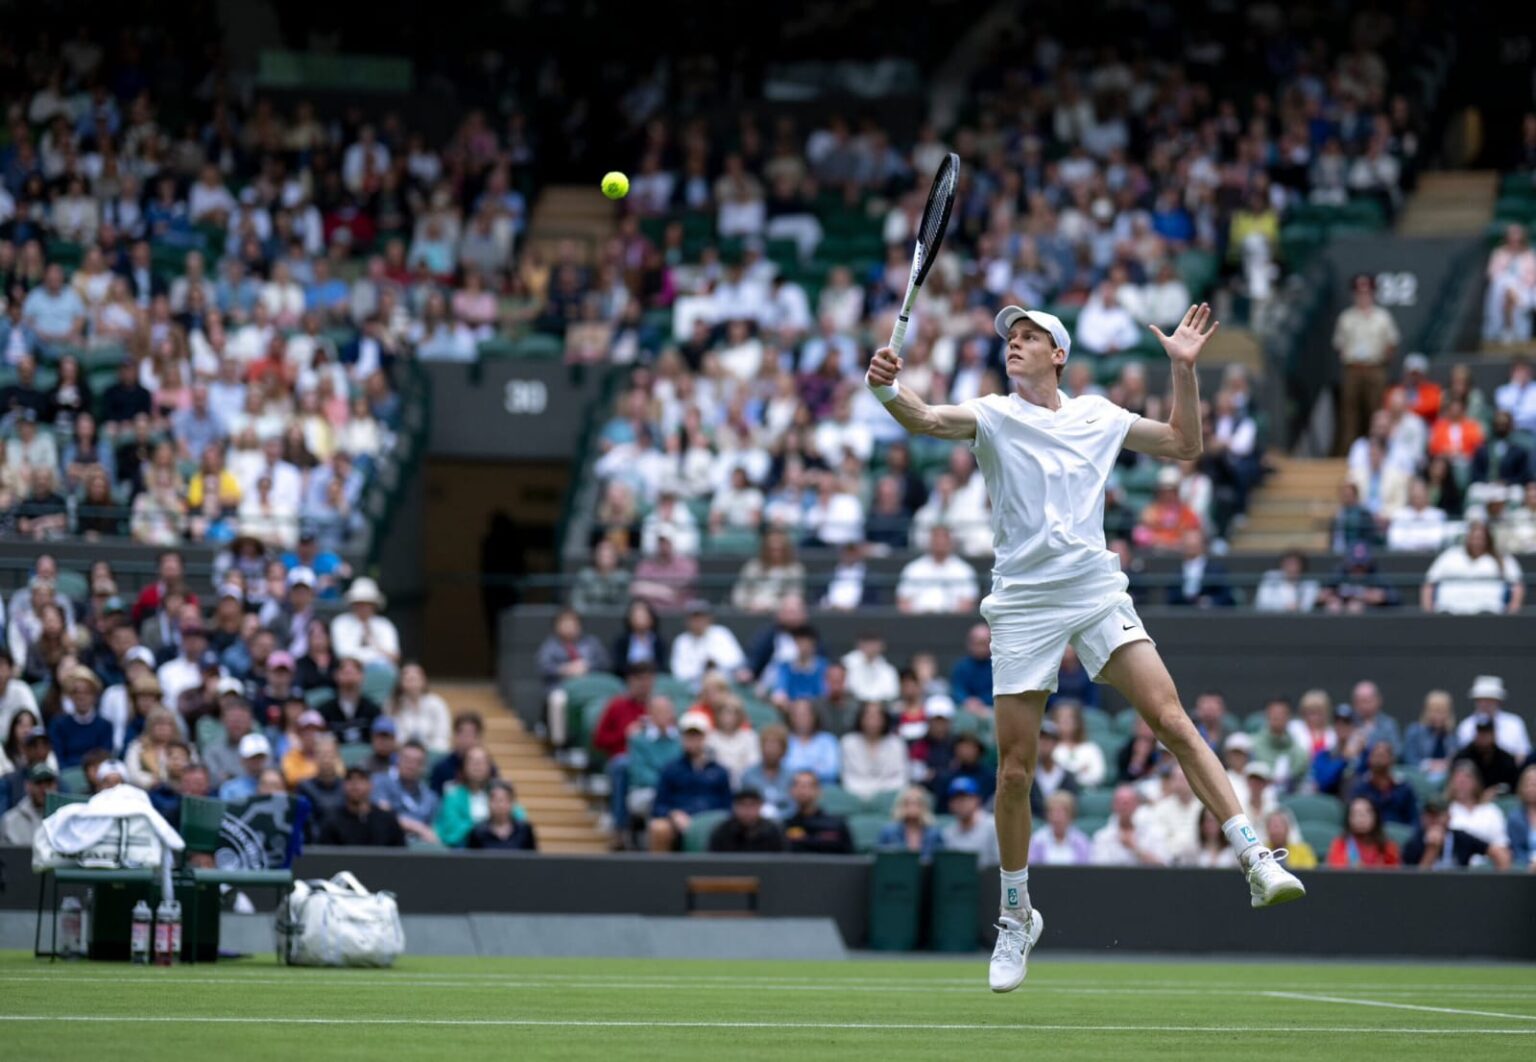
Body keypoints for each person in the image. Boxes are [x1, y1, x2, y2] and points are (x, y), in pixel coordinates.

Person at [1332, 273, 1400, 453]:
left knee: (1376, 411)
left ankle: (1378, 450)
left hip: (1375, 368)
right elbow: (1339, 344)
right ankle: (1348, 452)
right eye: (1359, 292)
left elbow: (1391, 342)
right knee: (1349, 412)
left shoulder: (1382, 317)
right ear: (1354, 294)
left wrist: (1382, 360)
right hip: (1353, 368)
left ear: (1373, 293)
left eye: (1367, 292)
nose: (1363, 296)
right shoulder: (1346, 317)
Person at [647, 711, 732, 852]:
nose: (692, 740)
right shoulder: (671, 769)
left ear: (705, 738)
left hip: (713, 824)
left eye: (696, 736)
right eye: (688, 736)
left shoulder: (720, 772)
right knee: (659, 828)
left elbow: (728, 806)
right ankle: (659, 873)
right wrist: (674, 815)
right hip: (679, 824)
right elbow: (659, 805)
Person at [1421, 520, 1524, 615]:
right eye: (1473, 538)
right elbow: (1429, 584)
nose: (1476, 542)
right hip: (1449, 610)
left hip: (1489, 611)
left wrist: (1512, 612)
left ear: (1488, 539)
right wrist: (1429, 612)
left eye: (1481, 539)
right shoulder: (1450, 555)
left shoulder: (1501, 558)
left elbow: (1517, 586)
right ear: (1467, 538)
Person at [1443, 763, 1513, 870]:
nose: (1462, 783)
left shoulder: (1491, 810)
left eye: (1466, 778)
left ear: (1476, 782)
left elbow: (1502, 845)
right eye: (1457, 779)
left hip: (1490, 866)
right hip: (1457, 867)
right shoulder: (1445, 811)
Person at [895, 525, 979, 614]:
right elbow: (903, 602)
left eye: (944, 537)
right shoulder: (913, 568)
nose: (940, 542)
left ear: (950, 541)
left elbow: (968, 603)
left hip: (952, 622)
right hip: (917, 621)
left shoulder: (963, 570)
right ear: (929, 541)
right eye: (936, 537)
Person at [371, 739, 441, 845]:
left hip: (421, 849)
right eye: (406, 760)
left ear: (424, 767)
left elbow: (434, 831)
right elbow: (383, 816)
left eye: (417, 762)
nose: (410, 765)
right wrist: (419, 828)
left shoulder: (431, 797)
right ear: (397, 760)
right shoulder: (380, 782)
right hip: (389, 845)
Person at [318, 767, 407, 846]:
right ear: (343, 786)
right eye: (349, 779)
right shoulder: (332, 820)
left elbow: (400, 856)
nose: (355, 784)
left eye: (361, 779)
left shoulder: (387, 820)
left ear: (370, 785)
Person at [668, 600, 747, 687]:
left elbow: (737, 661)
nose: (698, 621)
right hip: (693, 688)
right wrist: (703, 668)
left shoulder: (721, 633)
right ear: (687, 621)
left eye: (702, 617)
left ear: (709, 618)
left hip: (724, 685)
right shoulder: (681, 641)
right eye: (694, 618)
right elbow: (679, 673)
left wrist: (715, 663)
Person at [839, 702, 907, 802]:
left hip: (889, 799)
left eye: (877, 716)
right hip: (856, 799)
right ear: (861, 718)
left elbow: (900, 779)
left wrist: (878, 794)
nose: (873, 721)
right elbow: (848, 779)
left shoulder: (896, 744)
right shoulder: (848, 742)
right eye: (868, 716)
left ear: (885, 719)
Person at [1455, 675, 1533, 763]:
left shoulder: (1515, 724)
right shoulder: (1466, 726)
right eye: (1481, 700)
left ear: (1498, 701)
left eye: (1490, 700)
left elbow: (1523, 753)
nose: (1485, 704)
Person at [433, 745, 497, 847]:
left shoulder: (499, 793)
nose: (477, 765)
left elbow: (516, 822)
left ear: (490, 767)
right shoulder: (452, 796)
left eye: (482, 762)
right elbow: (451, 829)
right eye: (472, 761)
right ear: (463, 767)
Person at [535, 609, 610, 693]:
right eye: (565, 623)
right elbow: (543, 667)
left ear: (579, 625)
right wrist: (564, 669)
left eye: (572, 623)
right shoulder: (549, 646)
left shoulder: (591, 642)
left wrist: (587, 666)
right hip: (560, 687)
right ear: (556, 626)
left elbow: (605, 663)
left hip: (591, 684)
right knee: (558, 699)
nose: (569, 627)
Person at [1091, 784, 1165, 866]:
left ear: (1137, 805)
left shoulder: (1153, 833)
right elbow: (1099, 871)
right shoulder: (1101, 837)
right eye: (1119, 802)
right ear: (1113, 806)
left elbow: (1162, 866)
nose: (1123, 806)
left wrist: (1135, 849)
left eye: (1127, 803)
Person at [782, 770, 855, 854]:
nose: (803, 790)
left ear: (819, 791)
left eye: (808, 785)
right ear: (791, 791)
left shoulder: (837, 825)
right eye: (798, 785)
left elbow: (851, 860)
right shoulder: (784, 827)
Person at [1350, 741, 1419, 826]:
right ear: (1369, 759)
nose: (1378, 760)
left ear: (1392, 759)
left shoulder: (1404, 788)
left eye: (1382, 756)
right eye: (1376, 756)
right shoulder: (1360, 787)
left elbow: (1414, 819)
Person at [1451, 714, 1522, 793]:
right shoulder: (1463, 757)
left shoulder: (1506, 759)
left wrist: (1495, 791)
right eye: (1480, 733)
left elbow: (1513, 786)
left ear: (1494, 735)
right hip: (1470, 797)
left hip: (1498, 800)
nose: (1483, 738)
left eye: (1486, 733)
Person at [1402, 690, 1458, 788]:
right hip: (1420, 779)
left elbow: (1457, 759)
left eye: (1442, 712)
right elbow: (1409, 759)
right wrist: (1428, 765)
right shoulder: (1414, 731)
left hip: (1446, 781)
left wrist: (1446, 765)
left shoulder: (1452, 736)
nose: (1438, 716)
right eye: (1434, 711)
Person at [941, 776, 1001, 867]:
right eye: (956, 799)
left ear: (977, 800)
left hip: (990, 879)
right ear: (950, 804)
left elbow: (1001, 864)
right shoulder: (947, 833)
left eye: (964, 798)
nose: (960, 803)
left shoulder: (993, 826)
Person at [1326, 796, 1401, 869]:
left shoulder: (1388, 847)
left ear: (1375, 817)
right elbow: (1337, 874)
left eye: (1366, 813)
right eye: (1356, 814)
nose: (1361, 818)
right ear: (1349, 818)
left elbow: (1395, 876)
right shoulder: (1340, 844)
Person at [875, 784, 945, 862]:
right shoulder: (888, 831)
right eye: (908, 803)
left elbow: (942, 861)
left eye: (917, 803)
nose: (912, 806)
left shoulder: (934, 833)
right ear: (901, 806)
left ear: (924, 806)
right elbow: (880, 860)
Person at [740, 724, 794, 820]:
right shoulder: (749, 775)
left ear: (784, 750)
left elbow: (793, 806)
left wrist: (778, 816)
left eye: (775, 746)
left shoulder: (791, 776)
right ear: (761, 748)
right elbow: (743, 804)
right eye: (767, 745)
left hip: (786, 823)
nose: (771, 751)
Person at [707, 787, 785, 853]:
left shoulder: (772, 831)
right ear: (734, 807)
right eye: (742, 805)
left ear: (760, 806)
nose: (747, 811)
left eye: (752, 805)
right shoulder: (722, 831)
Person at [466, 780, 538, 850]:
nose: (500, 805)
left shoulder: (524, 830)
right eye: (495, 800)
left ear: (512, 803)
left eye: (504, 800)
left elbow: (532, 859)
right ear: (488, 803)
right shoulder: (477, 832)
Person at [1027, 791, 1092, 866]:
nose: (1056, 818)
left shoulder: (1082, 841)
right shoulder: (1037, 841)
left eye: (1060, 813)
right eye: (1052, 812)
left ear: (1070, 815)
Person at [0, 762, 56, 845]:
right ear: (28, 786)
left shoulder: (65, 817)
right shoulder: (10, 820)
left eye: (48, 784)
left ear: (55, 785)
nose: (44, 789)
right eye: (39, 783)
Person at [1253, 551, 1320, 613]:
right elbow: (1262, 604)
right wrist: (1285, 607)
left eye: (1295, 564)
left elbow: (1307, 607)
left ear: (1302, 566)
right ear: (1282, 565)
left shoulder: (1310, 584)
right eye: (1288, 564)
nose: (1291, 568)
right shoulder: (1270, 577)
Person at [1506, 765, 1536, 869]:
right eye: (1528, 784)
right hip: (1525, 868)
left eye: (1534, 784)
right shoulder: (1515, 818)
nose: (1532, 788)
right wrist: (1530, 864)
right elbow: (1516, 850)